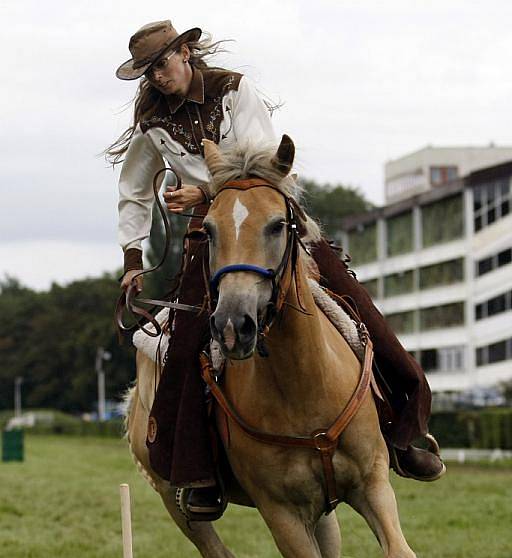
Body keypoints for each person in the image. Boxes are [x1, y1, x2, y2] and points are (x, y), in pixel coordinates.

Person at [109, 20, 445, 519]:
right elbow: (133, 188)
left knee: (359, 307)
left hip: (270, 213)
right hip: (213, 232)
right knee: (181, 345)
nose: (156, 76)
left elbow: (264, 162)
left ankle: (402, 432)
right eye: (147, 70)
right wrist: (133, 261)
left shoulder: (234, 90)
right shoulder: (151, 121)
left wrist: (204, 190)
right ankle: (197, 470)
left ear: (185, 52)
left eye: (161, 63)